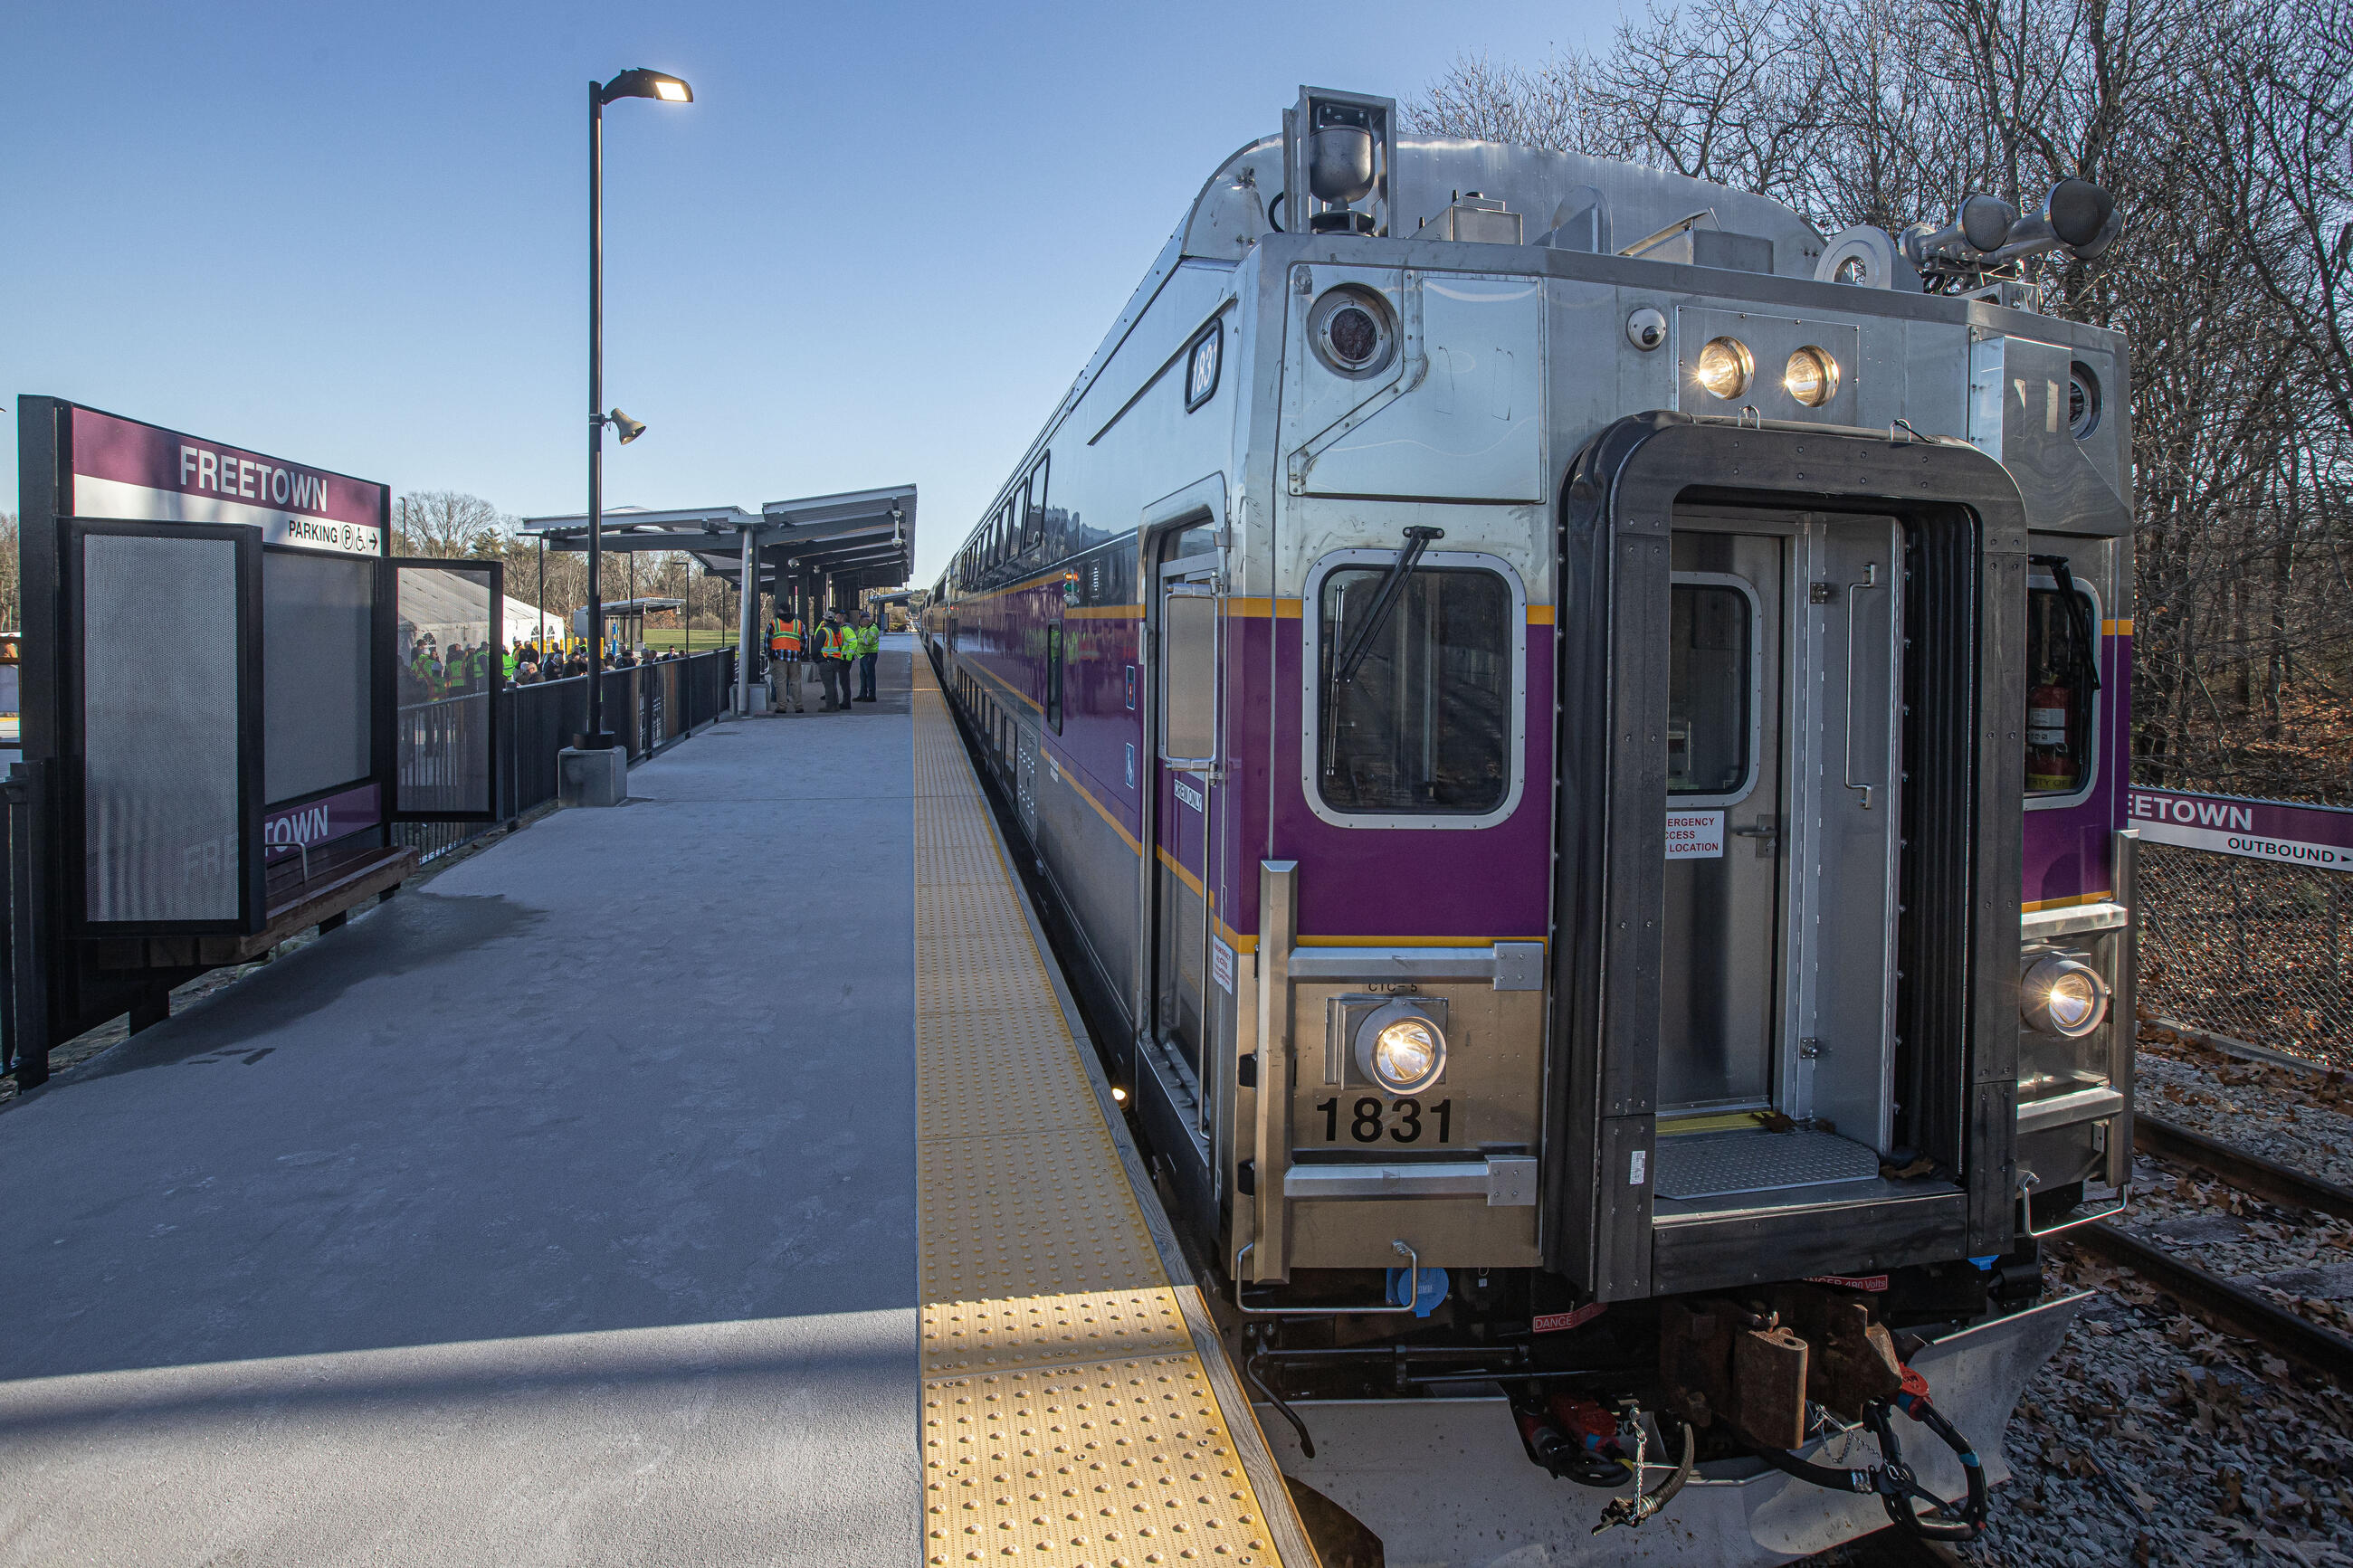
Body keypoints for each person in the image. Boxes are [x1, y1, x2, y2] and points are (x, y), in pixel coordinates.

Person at [769, 611, 805, 713]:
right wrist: (799, 654)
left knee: (781, 682)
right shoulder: (798, 624)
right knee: (796, 682)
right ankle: (798, 706)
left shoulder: (774, 623)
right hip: (795, 657)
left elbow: (768, 640)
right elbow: (804, 640)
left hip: (779, 657)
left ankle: (782, 706)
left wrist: (770, 655)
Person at [817, 610, 853, 711]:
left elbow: (853, 643)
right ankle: (837, 704)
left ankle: (842, 703)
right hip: (838, 658)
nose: (836, 619)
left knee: (841, 682)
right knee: (836, 682)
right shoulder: (838, 630)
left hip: (842, 659)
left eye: (838, 617)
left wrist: (848, 656)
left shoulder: (844, 630)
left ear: (842, 618)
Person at [853, 611, 880, 703]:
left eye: (861, 621)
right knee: (863, 676)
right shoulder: (864, 628)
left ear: (867, 620)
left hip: (869, 654)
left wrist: (857, 639)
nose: (860, 623)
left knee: (870, 676)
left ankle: (872, 695)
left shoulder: (873, 629)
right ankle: (863, 694)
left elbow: (868, 642)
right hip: (863, 655)